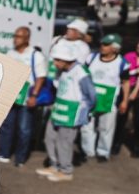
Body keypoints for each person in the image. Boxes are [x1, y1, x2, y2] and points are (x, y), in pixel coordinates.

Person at [38, 40, 97, 182]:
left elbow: (92, 96)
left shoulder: (81, 72)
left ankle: (65, 171)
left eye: (58, 60)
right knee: (49, 138)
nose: (55, 63)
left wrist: (86, 112)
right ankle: (54, 165)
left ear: (67, 59)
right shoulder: (61, 70)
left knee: (64, 142)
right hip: (58, 110)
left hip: (72, 113)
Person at [0, 27, 48, 166]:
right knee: (7, 126)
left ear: (27, 39)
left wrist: (34, 95)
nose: (15, 39)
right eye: (15, 35)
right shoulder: (10, 53)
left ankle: (20, 158)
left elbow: (41, 78)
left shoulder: (35, 55)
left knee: (24, 129)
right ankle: (4, 153)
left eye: (19, 36)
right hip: (12, 96)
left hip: (27, 97)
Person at [80, 34, 130, 163]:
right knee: (86, 127)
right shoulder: (91, 58)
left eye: (107, 45)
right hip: (89, 100)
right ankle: (88, 151)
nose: (103, 46)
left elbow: (125, 83)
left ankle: (103, 152)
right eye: (102, 44)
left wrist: (125, 101)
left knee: (106, 128)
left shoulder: (122, 64)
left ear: (115, 48)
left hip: (108, 101)